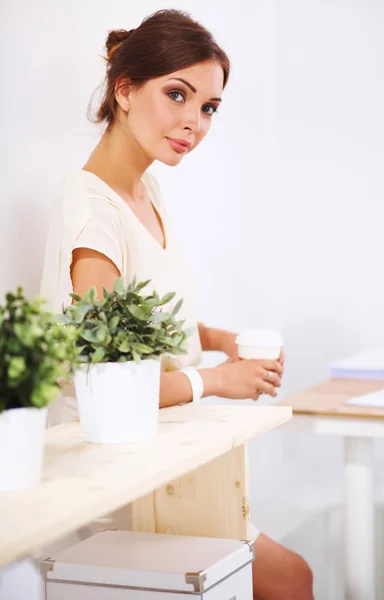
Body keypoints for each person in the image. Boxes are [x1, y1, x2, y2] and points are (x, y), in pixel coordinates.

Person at [40, 9, 314, 600]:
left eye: (209, 107)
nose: (194, 121)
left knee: (290, 576)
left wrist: (218, 339)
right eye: (177, 94)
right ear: (124, 89)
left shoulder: (146, 190)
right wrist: (217, 379)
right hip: (115, 476)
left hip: (165, 455)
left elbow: (147, 319)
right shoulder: (93, 212)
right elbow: (104, 383)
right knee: (291, 579)